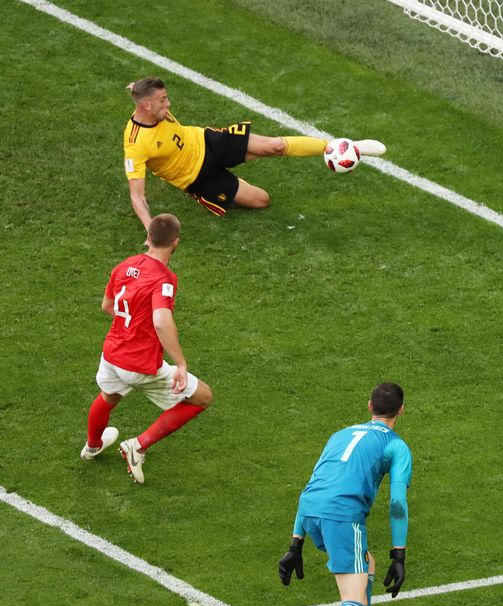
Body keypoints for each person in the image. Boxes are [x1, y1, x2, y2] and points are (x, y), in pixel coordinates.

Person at [278, 382, 412, 606]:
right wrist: (400, 554)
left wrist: (296, 544)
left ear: (369, 406)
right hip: (342, 517)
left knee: (367, 565)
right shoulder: (396, 447)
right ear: (401, 411)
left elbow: (313, 485)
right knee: (352, 598)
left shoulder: (339, 435)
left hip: (310, 511)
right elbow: (397, 502)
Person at [123, 77, 387, 229]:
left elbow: (141, 91)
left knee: (275, 146)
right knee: (262, 200)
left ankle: (338, 147)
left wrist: (135, 87)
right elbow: (137, 196)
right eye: (162, 101)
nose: (168, 104)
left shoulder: (149, 104)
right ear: (146, 106)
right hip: (198, 179)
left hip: (208, 142)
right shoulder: (136, 144)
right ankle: (233, 186)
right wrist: (150, 227)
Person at [80, 213, 212, 485]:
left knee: (109, 396)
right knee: (202, 397)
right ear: (175, 242)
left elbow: (107, 306)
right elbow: (162, 321)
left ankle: (92, 446)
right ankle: (138, 446)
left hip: (112, 355)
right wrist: (182, 365)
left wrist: (131, 326)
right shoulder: (164, 278)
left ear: (148, 237)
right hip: (139, 364)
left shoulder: (124, 265)